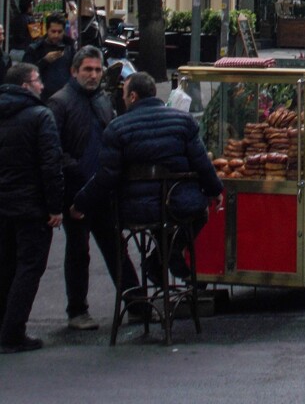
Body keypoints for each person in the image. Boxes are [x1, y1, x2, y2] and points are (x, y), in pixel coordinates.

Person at [73, 71, 223, 283]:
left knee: (118, 224)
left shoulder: (117, 128)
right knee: (200, 213)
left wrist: (81, 203)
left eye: (124, 94)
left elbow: (106, 176)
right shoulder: (183, 122)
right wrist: (215, 190)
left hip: (134, 210)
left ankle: (158, 260)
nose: (123, 99)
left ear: (133, 96)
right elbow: (201, 163)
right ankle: (165, 254)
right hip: (178, 206)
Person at [48, 46, 139, 331]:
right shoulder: (59, 103)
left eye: (98, 70)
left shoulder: (102, 100)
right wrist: (74, 170)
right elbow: (53, 149)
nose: (94, 75)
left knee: (115, 248)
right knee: (78, 251)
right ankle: (77, 311)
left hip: (102, 188)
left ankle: (136, 304)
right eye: (88, 70)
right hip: (76, 190)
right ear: (74, 71)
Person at [0, 63, 63, 353]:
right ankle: (13, 332)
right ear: (26, 85)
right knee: (29, 267)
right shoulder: (40, 116)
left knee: (6, 265)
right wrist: (55, 207)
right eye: (37, 80)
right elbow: (51, 165)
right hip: (30, 206)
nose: (42, 85)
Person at [23, 11, 75, 101]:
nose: (56, 35)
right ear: (47, 30)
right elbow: (25, 74)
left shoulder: (70, 48)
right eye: (53, 31)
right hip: (41, 98)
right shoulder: (35, 49)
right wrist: (45, 61)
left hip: (64, 98)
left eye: (59, 32)